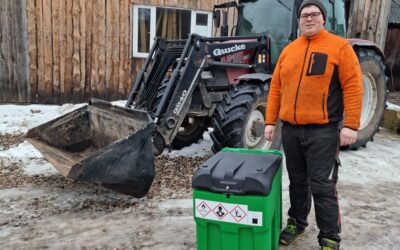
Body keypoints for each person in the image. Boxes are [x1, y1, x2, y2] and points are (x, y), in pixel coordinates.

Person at [264, 0, 363, 249]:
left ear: (323, 18)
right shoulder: (289, 50)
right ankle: (296, 223)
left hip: (323, 131)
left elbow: (353, 86)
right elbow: (276, 88)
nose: (309, 18)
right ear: (299, 20)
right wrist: (270, 121)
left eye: (314, 14)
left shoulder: (339, 47)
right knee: (297, 182)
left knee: (322, 185)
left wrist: (351, 125)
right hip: (291, 130)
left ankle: (329, 236)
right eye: (304, 15)